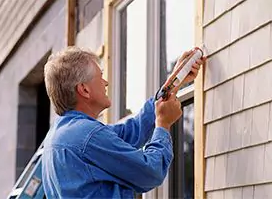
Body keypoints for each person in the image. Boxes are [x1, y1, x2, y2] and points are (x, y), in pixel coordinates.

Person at [42, 46, 204, 198]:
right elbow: (150, 172)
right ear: (84, 89)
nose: (105, 83)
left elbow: (131, 132)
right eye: (100, 77)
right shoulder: (87, 136)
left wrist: (172, 84)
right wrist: (163, 124)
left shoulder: (61, 135)